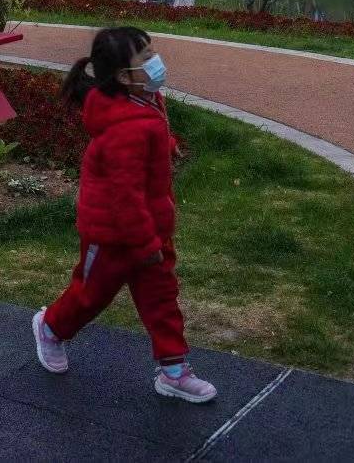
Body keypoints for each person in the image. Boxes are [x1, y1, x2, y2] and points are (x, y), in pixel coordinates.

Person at [32, 25, 216, 404]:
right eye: (145, 57)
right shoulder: (123, 130)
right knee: (90, 296)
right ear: (123, 76)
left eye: (152, 52)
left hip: (150, 229)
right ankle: (50, 327)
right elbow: (125, 196)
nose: (156, 61)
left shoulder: (145, 99)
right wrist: (145, 242)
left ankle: (174, 371)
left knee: (162, 299)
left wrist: (168, 144)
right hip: (114, 234)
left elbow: (151, 136)